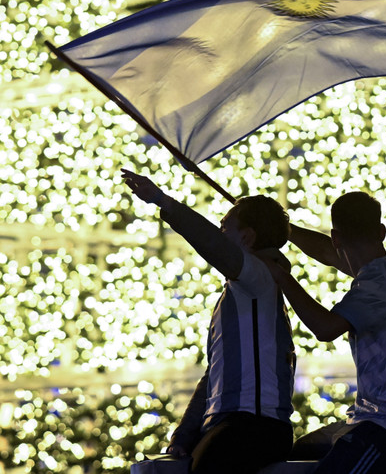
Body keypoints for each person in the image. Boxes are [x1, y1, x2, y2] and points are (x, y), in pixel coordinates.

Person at [121, 169, 296, 474]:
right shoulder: (243, 292)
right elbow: (214, 376)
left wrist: (163, 201)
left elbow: (213, 245)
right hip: (237, 426)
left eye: (224, 227)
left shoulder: (259, 278)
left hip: (248, 427)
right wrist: (185, 435)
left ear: (247, 237)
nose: (219, 233)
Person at [262, 191, 386, 474]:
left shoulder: (376, 283)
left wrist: (281, 276)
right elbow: (330, 254)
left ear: (337, 236)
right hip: (378, 421)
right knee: (301, 452)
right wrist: (286, 231)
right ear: (381, 231)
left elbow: (325, 327)